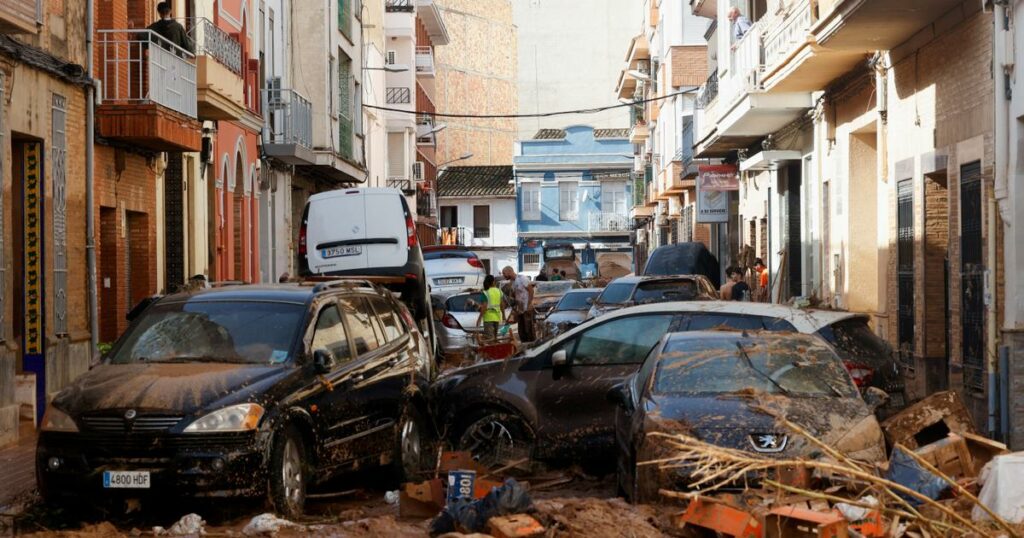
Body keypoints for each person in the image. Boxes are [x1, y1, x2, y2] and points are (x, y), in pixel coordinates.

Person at [502, 266, 535, 343]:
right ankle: (524, 344)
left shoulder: (522, 278)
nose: (504, 276)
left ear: (509, 272)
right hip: (519, 308)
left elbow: (531, 291)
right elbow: (515, 295)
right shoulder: (512, 282)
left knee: (528, 329)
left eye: (504, 274)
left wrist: (529, 304)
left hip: (526, 308)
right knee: (521, 330)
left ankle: (532, 345)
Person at [476, 275, 506, 341]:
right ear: (493, 282)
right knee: (495, 338)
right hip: (497, 318)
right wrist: (504, 315)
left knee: (489, 339)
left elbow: (484, 306)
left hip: (488, 318)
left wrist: (480, 318)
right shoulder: (499, 291)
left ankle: (491, 350)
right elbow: (502, 304)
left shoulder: (486, 292)